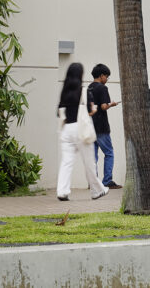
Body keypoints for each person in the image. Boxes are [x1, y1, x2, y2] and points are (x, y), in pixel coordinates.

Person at [56, 63, 108, 201]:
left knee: (66, 162)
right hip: (81, 130)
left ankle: (62, 191)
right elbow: (92, 110)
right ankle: (96, 190)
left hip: (66, 129)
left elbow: (59, 112)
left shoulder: (64, 92)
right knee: (89, 162)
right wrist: (92, 110)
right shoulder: (84, 91)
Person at [87, 63, 121, 189]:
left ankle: (93, 183)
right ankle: (107, 180)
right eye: (107, 76)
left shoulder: (89, 88)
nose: (107, 79)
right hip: (101, 126)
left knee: (93, 156)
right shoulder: (102, 88)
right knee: (109, 153)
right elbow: (103, 106)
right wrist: (111, 104)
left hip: (90, 126)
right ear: (101, 76)